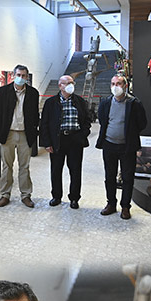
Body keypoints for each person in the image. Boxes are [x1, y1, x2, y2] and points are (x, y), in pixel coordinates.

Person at [96, 74, 147, 220]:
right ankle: (111, 204)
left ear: (125, 86)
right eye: (113, 84)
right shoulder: (106, 102)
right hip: (109, 145)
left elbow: (142, 123)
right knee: (109, 176)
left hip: (127, 147)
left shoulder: (134, 103)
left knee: (127, 177)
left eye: (119, 83)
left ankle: (125, 207)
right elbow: (102, 119)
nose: (115, 86)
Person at [39, 75, 91, 209]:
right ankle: (56, 196)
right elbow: (44, 123)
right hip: (58, 139)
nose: (70, 85)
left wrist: (82, 135)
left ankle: (74, 198)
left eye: (72, 83)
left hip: (75, 140)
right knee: (56, 170)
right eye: (67, 83)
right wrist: (46, 142)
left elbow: (87, 121)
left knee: (75, 170)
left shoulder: (80, 101)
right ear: (60, 86)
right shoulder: (51, 103)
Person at [0, 66, 40, 208]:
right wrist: (0, 130)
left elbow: (35, 114)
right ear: (13, 75)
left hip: (25, 134)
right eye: (18, 74)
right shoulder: (3, 91)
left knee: (24, 166)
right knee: (6, 166)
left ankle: (26, 195)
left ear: (27, 77)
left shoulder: (33, 93)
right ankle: (5, 194)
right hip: (8, 134)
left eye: (24, 75)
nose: (21, 77)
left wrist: (33, 130)